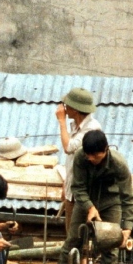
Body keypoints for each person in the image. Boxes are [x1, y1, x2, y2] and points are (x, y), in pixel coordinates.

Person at [54, 129, 133, 264]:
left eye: (96, 156)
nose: (91, 159)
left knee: (110, 248)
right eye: (88, 155)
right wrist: (89, 207)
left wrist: (127, 228)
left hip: (110, 203)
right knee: (73, 241)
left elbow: (128, 198)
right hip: (85, 201)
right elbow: (77, 187)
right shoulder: (80, 157)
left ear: (105, 149)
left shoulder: (118, 164)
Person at [56, 87, 102, 232]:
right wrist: (66, 183)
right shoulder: (76, 126)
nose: (64, 108)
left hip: (84, 192)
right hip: (72, 189)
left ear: (75, 109)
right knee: (70, 232)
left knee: (79, 234)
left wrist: (61, 121)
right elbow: (71, 159)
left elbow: (68, 147)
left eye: (66, 105)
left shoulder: (91, 128)